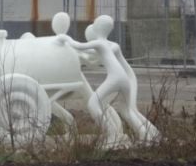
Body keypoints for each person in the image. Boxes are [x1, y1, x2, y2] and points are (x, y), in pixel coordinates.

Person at [57, 15, 159, 143]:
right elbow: (126, 67)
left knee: (93, 104)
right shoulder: (114, 45)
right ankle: (149, 135)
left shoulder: (99, 43)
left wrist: (63, 37)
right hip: (125, 79)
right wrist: (132, 82)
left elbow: (77, 46)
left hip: (114, 78)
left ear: (98, 27)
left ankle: (112, 134)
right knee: (127, 110)